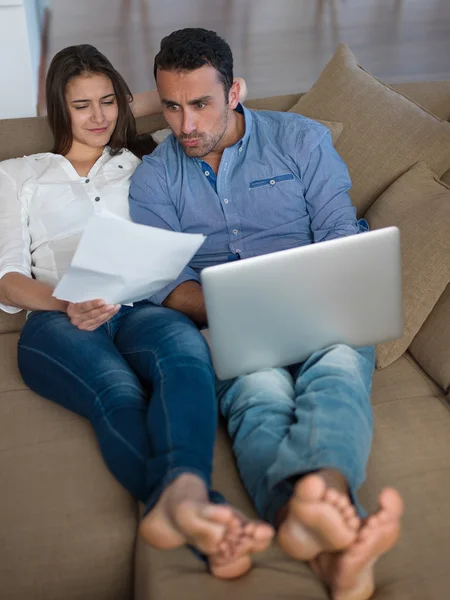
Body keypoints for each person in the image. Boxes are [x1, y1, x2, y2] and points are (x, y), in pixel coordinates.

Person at [129, 28, 404, 600]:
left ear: (235, 93)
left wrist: (303, 296)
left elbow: (337, 234)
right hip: (232, 324)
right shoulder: (156, 174)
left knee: (334, 372)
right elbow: (161, 280)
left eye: (201, 104)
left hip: (323, 309)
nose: (186, 126)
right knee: (260, 393)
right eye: (173, 107)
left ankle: (314, 502)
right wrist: (234, 306)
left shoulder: (301, 141)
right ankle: (326, 535)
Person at [0, 43, 274, 579]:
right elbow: (6, 276)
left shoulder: (146, 157)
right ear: (58, 110)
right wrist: (66, 302)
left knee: (186, 355)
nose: (98, 117)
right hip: (55, 321)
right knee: (118, 391)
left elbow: (215, 97)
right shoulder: (18, 174)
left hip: (139, 306)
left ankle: (187, 504)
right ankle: (204, 513)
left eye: (109, 102)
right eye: (81, 106)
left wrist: (123, 105)